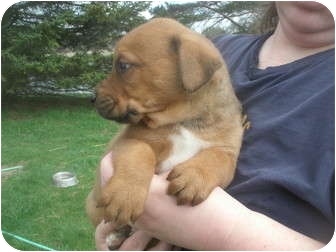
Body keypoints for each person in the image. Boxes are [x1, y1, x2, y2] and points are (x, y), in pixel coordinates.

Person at [95, 1, 334, 250]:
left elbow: (223, 155)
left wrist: (226, 232)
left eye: (124, 67)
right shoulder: (217, 50)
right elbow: (132, 145)